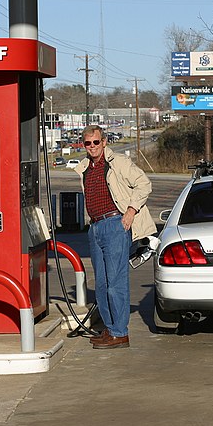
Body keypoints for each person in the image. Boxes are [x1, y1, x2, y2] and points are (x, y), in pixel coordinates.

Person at [73, 124, 155, 349]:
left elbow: (144, 184)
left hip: (115, 225)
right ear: (84, 144)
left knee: (115, 283)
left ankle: (120, 333)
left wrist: (130, 211)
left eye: (96, 142)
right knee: (101, 284)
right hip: (95, 227)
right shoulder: (84, 168)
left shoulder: (118, 162)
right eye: (88, 143)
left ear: (104, 142)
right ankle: (109, 329)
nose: (92, 147)